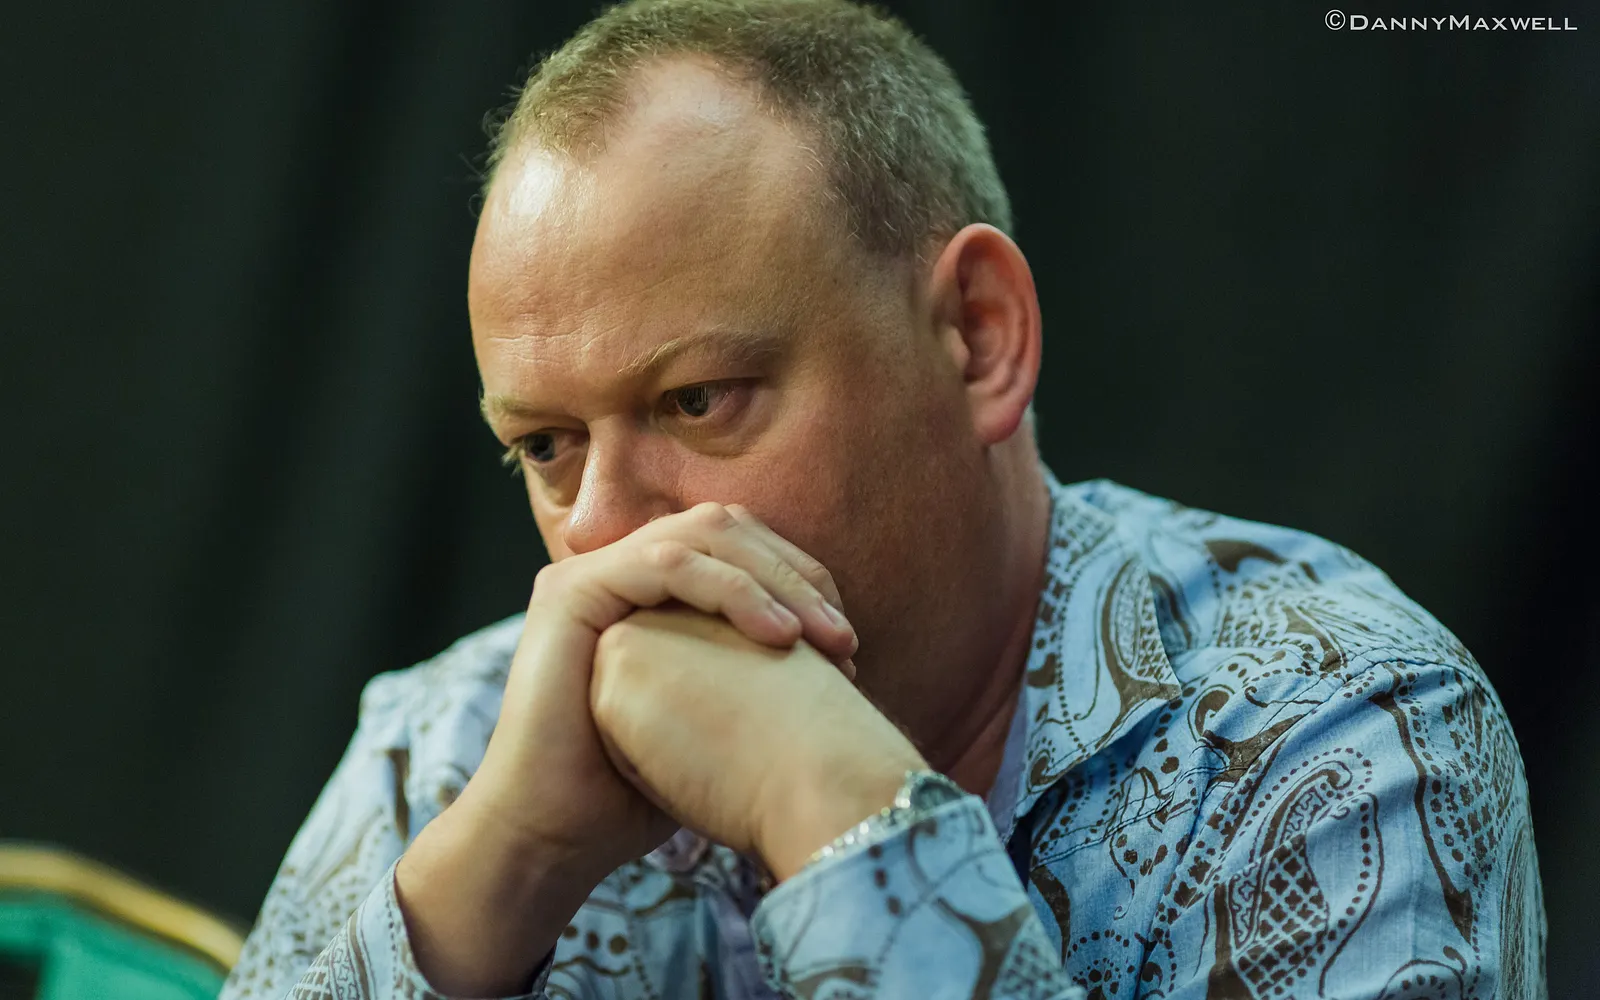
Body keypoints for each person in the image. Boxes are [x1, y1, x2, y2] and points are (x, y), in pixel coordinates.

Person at [219, 1, 1547, 997]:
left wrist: (837, 803)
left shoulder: (1337, 738)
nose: (606, 534)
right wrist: (503, 862)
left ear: (977, 336)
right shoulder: (448, 750)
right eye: (547, 447)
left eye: (697, 400)